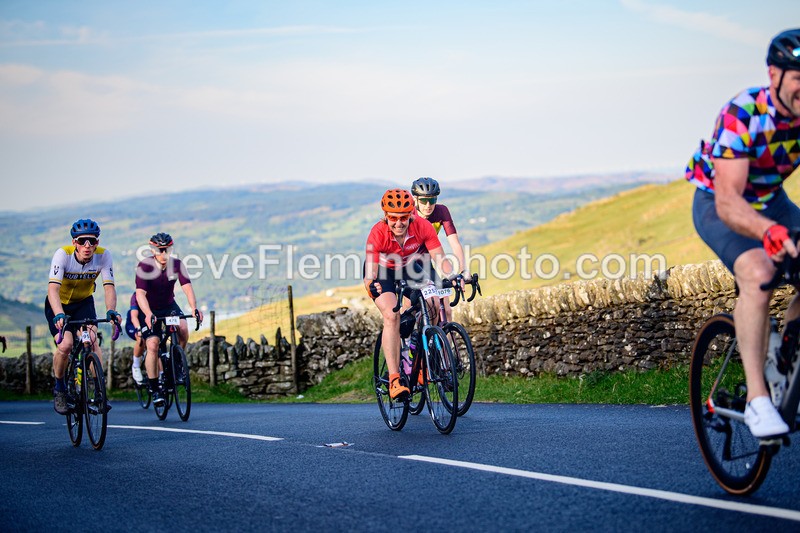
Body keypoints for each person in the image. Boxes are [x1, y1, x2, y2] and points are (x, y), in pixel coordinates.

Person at [686, 28, 800, 438]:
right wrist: (767, 232)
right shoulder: (744, 112)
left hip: (772, 199)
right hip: (720, 201)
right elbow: (729, 200)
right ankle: (757, 400)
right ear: (774, 76)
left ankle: (786, 359)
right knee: (757, 274)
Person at [364, 189, 461, 400]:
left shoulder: (423, 226)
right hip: (383, 270)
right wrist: (371, 285)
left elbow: (440, 259)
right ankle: (394, 379)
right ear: (386, 217)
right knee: (392, 315)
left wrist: (452, 275)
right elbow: (370, 273)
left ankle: (418, 358)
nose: (398, 223)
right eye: (393, 219)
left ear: (411, 215)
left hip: (410, 267)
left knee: (434, 303)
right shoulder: (377, 232)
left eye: (403, 218)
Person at [45, 218, 121, 414]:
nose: (87, 246)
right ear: (74, 243)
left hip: (84, 304)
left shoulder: (104, 256)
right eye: (82, 241)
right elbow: (53, 289)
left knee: (92, 340)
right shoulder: (63, 255)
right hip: (58, 305)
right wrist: (59, 314)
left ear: (97, 242)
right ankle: (60, 389)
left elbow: (109, 286)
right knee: (66, 345)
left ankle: (98, 391)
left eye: (92, 241)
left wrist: (111, 310)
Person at [135, 232, 203, 406]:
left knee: (183, 327)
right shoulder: (145, 266)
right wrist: (149, 314)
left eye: (167, 249)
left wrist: (194, 308)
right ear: (153, 250)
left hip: (169, 305)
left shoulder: (177, 265)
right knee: (152, 344)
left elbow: (187, 287)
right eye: (160, 250)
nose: (164, 253)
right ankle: (155, 387)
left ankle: (177, 362)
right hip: (149, 309)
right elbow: (140, 294)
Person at [411, 176, 470, 321]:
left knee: (446, 310)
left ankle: (438, 342)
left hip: (427, 262)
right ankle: (408, 341)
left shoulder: (441, 212)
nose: (428, 205)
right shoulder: (409, 214)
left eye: (432, 200)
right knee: (411, 307)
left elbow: (455, 243)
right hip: (408, 264)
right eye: (424, 200)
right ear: (415, 199)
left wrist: (463, 270)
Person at [124, 292, 146, 384]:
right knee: (141, 338)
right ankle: (136, 366)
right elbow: (134, 317)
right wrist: (138, 329)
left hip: (145, 322)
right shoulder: (136, 295)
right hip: (133, 323)